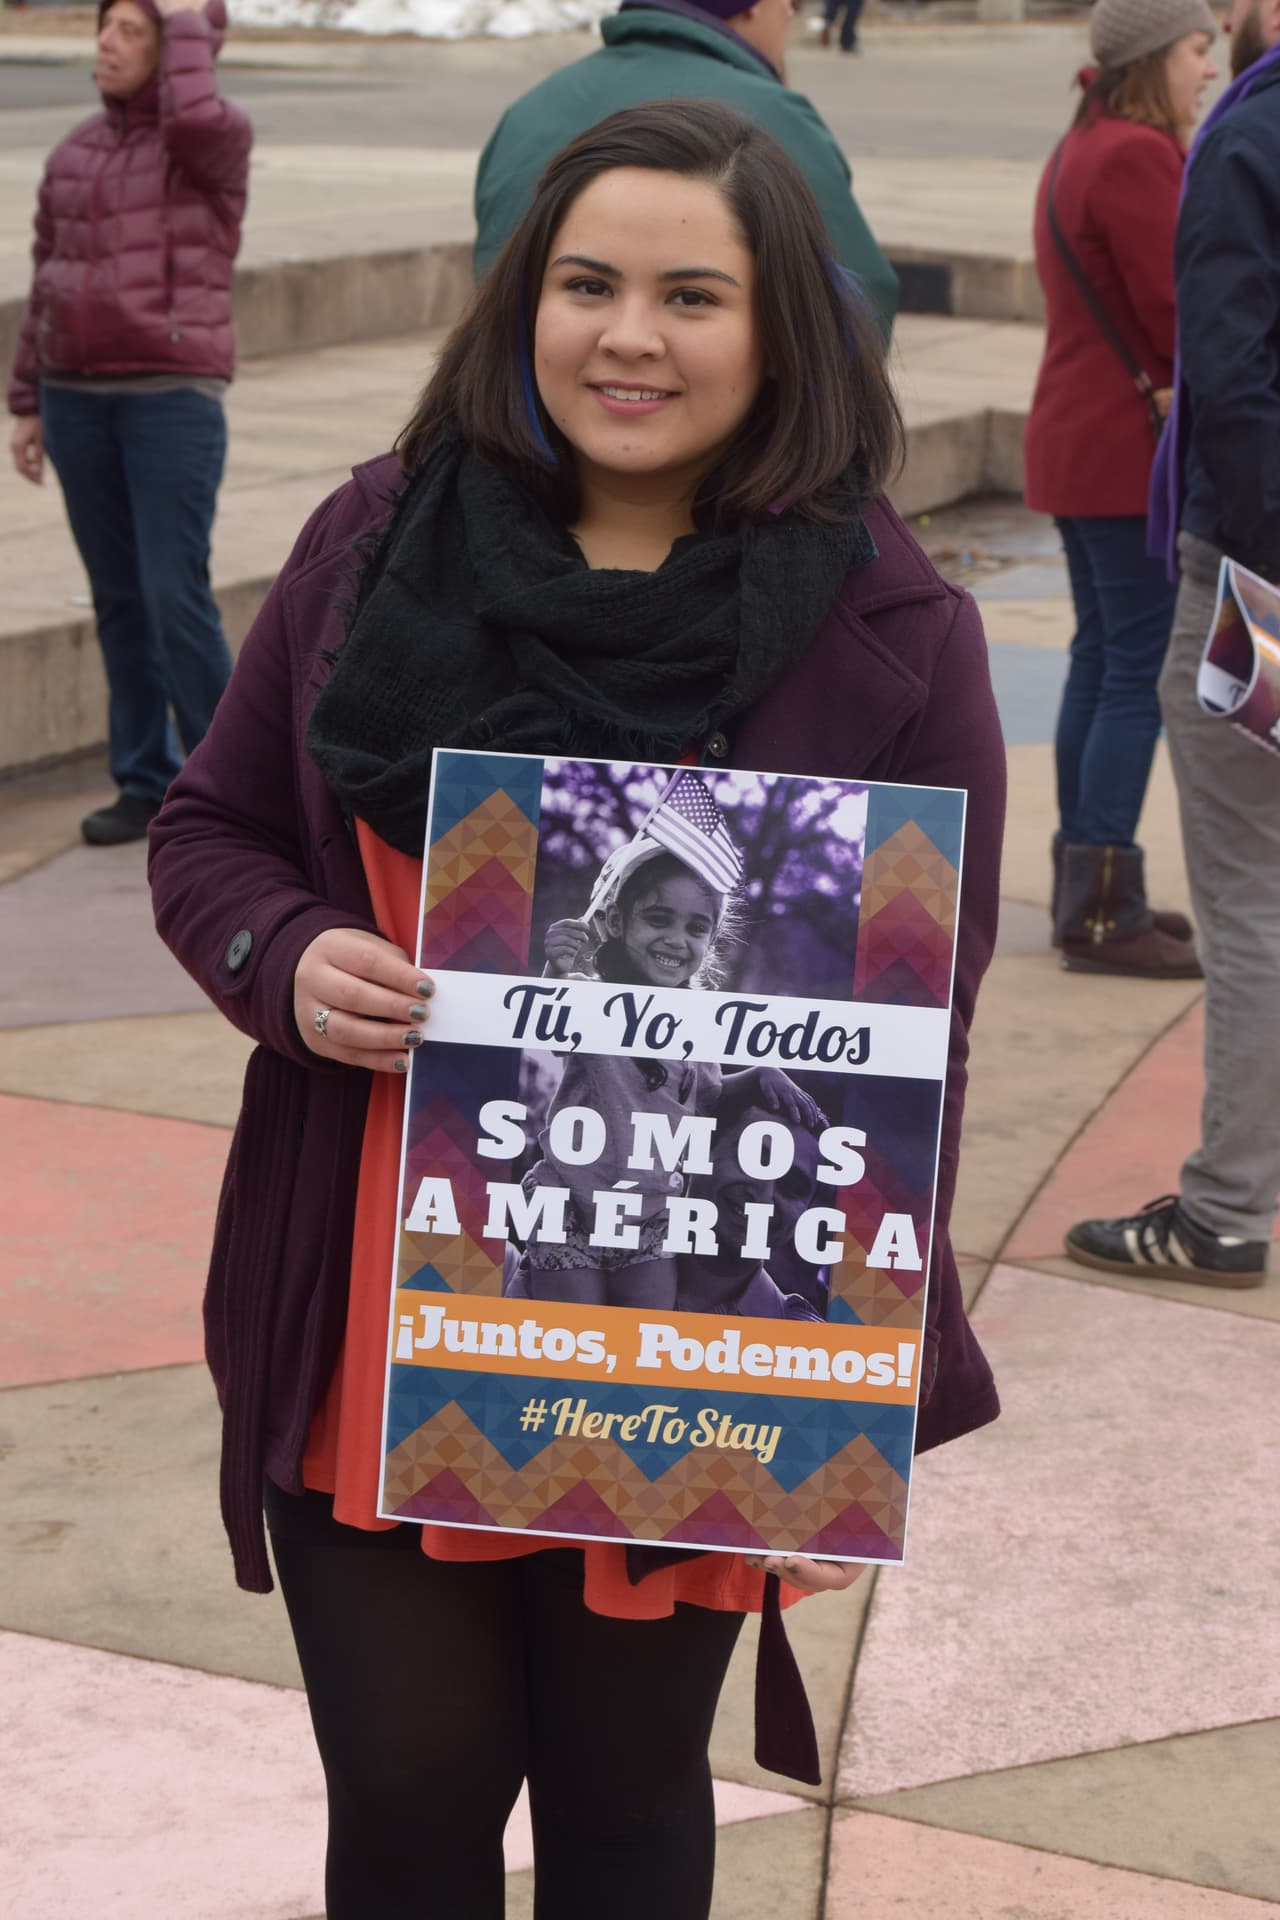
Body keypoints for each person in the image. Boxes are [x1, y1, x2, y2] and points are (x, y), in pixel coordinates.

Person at [149, 100, 1004, 1917]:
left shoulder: (892, 626)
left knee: (626, 1816)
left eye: (694, 294)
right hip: (374, 1320)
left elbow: (909, 1066)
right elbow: (211, 830)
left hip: (682, 1343)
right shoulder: (377, 543)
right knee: (407, 1802)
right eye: (587, 283)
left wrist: (840, 1413)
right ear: (519, 305)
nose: (631, 335)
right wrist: (287, 961)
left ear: (781, 330)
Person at [1065, 0, 1280, 1290]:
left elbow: (1233, 370)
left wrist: (1258, 596)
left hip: (1251, 571)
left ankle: (1224, 1208)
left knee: (1249, 899)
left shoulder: (1248, 136)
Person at [7, 0, 251, 847]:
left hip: (168, 398)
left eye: (130, 31)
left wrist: (187, 19)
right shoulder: (75, 149)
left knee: (171, 592)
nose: (106, 43)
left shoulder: (209, 143)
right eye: (103, 26)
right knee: (117, 599)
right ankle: (143, 778)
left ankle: (239, 793)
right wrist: (27, 398)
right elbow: (47, 275)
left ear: (179, 47)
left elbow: (194, 112)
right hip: (76, 395)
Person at [1023, 0, 1217, 976]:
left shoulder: (1079, 143)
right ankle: (1102, 909)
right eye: (1194, 49)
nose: (1206, 68)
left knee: (1100, 657)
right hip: (1117, 450)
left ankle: (1083, 880)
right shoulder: (1138, 155)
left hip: (1075, 436)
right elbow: (1174, 304)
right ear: (1152, 57)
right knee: (1134, 668)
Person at [471, 0, 898, 329]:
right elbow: (856, 307)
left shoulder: (531, 107)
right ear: (747, 6)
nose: (789, 10)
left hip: (516, 408)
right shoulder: (775, 119)